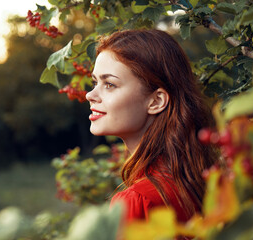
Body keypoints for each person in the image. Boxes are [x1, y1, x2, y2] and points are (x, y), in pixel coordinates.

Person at [85, 29, 217, 223]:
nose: (90, 95)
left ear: (156, 101)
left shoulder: (137, 201)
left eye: (110, 84)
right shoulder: (204, 181)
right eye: (95, 82)